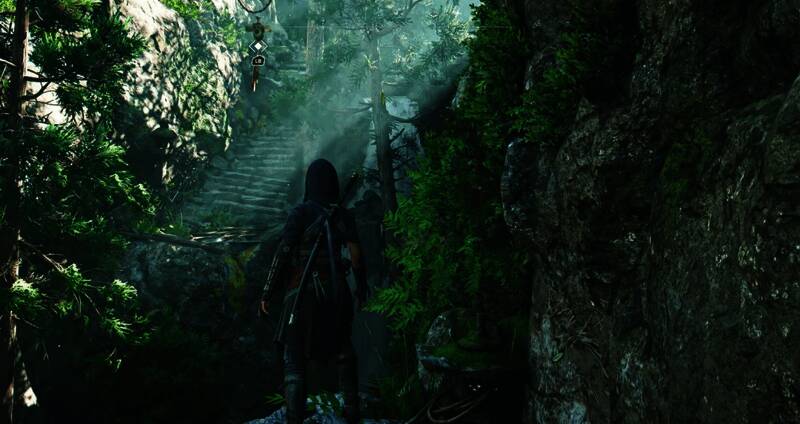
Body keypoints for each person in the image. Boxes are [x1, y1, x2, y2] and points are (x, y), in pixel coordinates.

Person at [260, 159, 368, 424]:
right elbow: (356, 257)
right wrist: (361, 287)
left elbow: (284, 252)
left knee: (294, 354)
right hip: (336, 289)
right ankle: (351, 409)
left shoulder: (301, 212)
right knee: (343, 347)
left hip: (302, 290)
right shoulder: (342, 214)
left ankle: (294, 416)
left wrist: (267, 292)